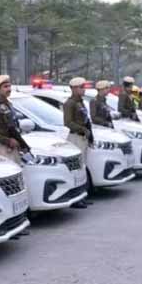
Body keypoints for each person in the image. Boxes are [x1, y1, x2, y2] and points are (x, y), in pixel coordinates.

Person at [0, 75, 30, 166]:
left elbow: (12, 128)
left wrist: (23, 145)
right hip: (2, 148)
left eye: (9, 86)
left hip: (13, 148)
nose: (9, 89)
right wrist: (7, 141)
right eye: (5, 87)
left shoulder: (8, 104)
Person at [63, 77, 93, 209]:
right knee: (77, 169)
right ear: (74, 89)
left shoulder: (80, 102)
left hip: (83, 138)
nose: (83, 89)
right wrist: (82, 130)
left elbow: (86, 120)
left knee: (82, 167)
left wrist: (90, 135)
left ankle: (82, 196)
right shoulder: (69, 103)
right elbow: (68, 122)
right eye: (81, 87)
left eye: (83, 87)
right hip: (76, 137)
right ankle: (76, 198)